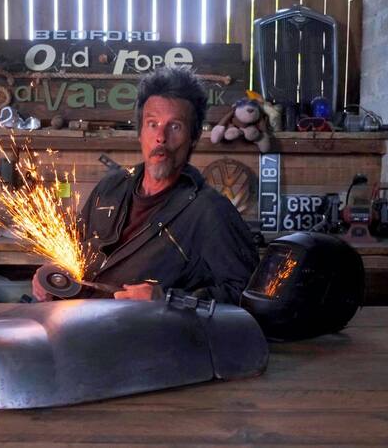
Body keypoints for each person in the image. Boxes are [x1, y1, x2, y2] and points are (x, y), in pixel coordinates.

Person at [32, 66, 259, 305]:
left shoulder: (210, 212)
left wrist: (169, 300)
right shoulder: (110, 188)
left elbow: (247, 295)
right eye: (152, 124)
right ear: (140, 132)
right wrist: (52, 277)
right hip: (78, 319)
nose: (161, 137)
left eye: (175, 126)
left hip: (143, 336)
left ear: (193, 139)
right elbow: (70, 252)